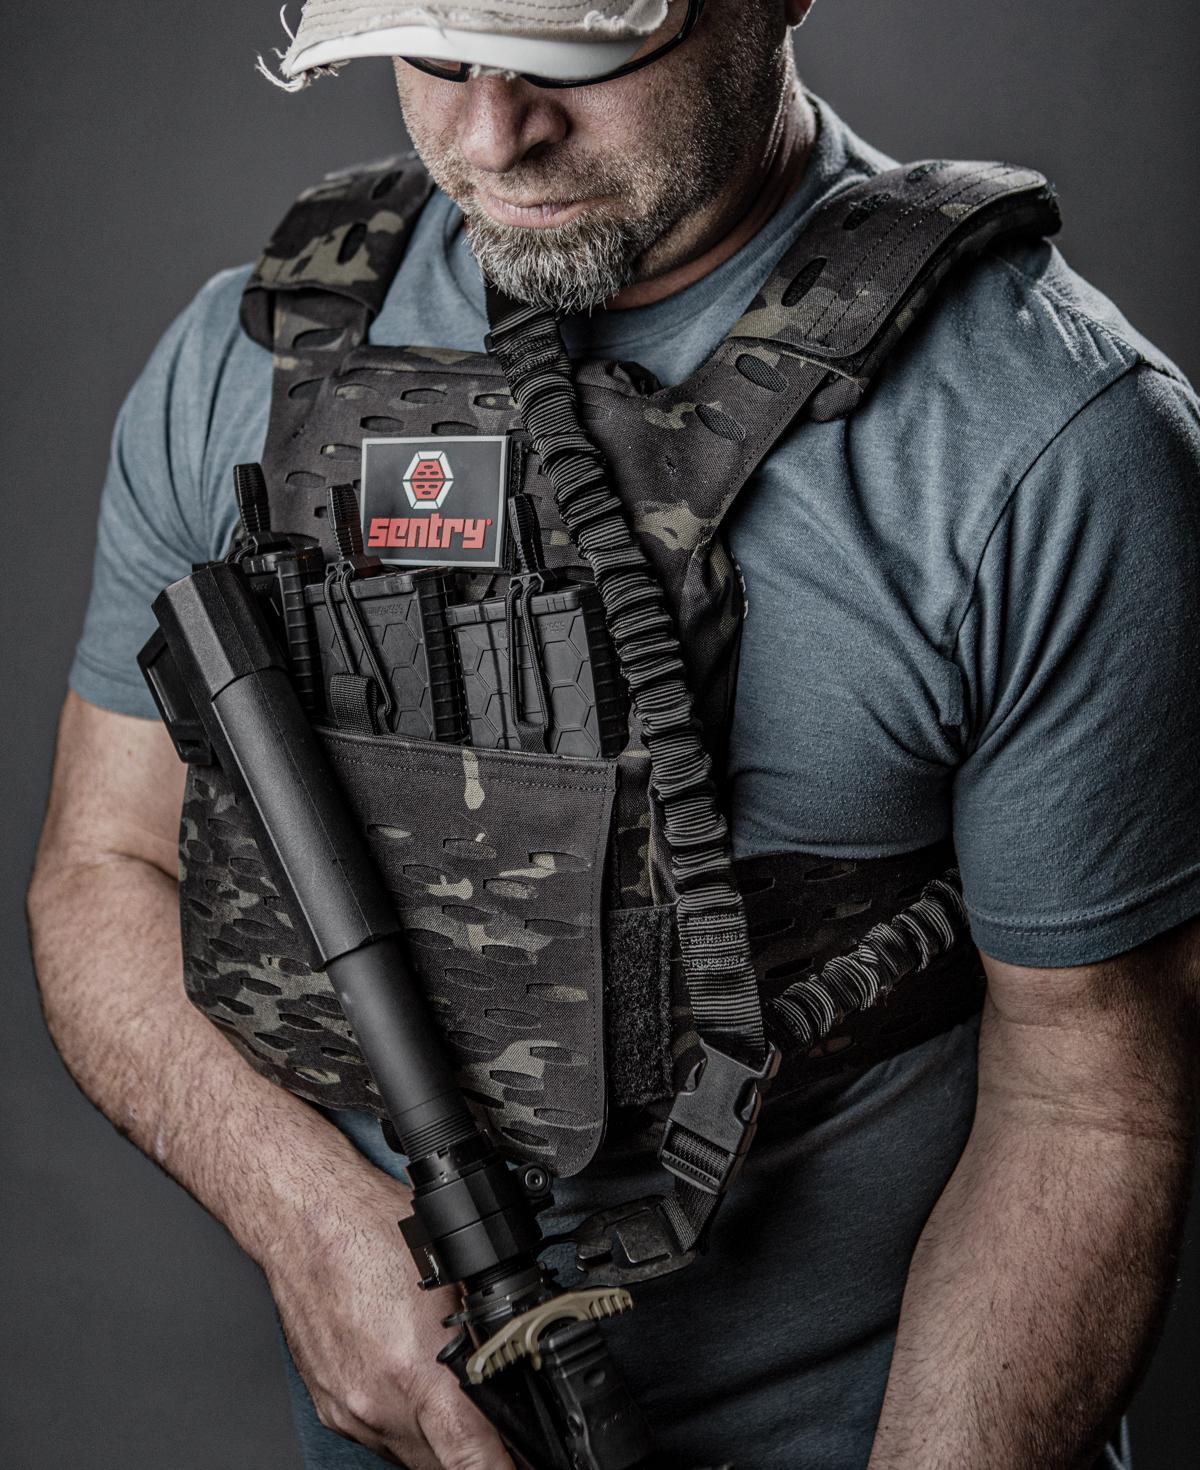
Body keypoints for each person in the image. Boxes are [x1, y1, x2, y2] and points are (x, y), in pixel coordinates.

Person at [26, 1, 1200, 1467]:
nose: (492, 134)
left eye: (577, 56)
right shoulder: (245, 358)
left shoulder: (1049, 443)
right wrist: (301, 1213)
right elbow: (104, 864)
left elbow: (1090, 1100)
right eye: (437, 55)